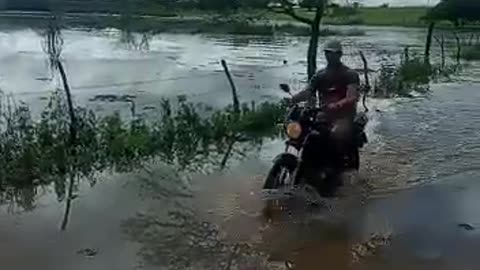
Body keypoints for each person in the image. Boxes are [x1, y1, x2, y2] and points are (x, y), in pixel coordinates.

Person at [286, 40, 360, 167]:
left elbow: (352, 96)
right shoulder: (319, 75)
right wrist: (292, 99)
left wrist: (338, 104)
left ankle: (337, 166)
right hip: (323, 114)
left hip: (343, 115)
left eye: (334, 53)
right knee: (303, 130)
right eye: (328, 53)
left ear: (340, 54)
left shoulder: (350, 74)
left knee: (337, 134)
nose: (330, 56)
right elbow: (308, 92)